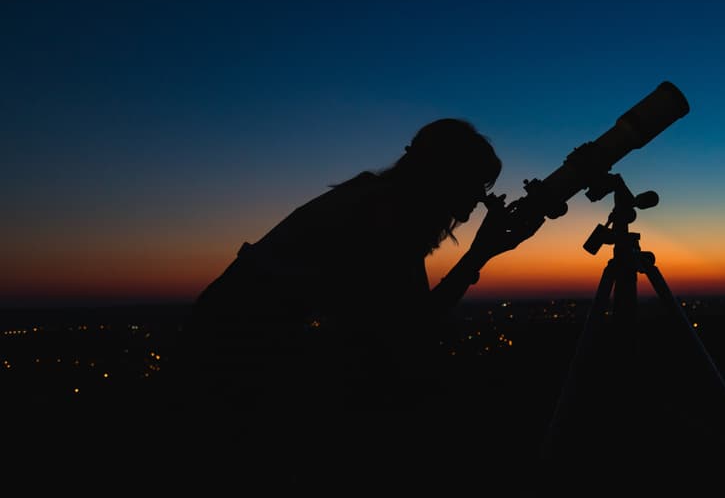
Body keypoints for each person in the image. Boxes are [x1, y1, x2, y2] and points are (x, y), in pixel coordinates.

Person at [182, 117, 541, 416]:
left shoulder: (377, 202)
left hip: (235, 340)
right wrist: (479, 255)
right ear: (443, 177)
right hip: (239, 355)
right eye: (473, 184)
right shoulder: (385, 217)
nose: (479, 199)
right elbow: (411, 326)